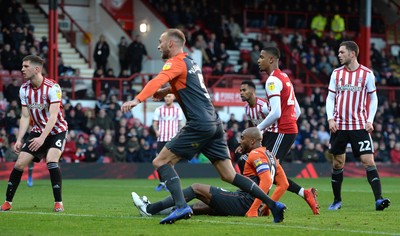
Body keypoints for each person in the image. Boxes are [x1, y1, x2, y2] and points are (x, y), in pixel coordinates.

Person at [121, 29, 286, 224]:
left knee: (160, 162)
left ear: (171, 44)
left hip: (199, 124)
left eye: (160, 42)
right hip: (215, 124)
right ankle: (273, 204)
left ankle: (181, 207)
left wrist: (137, 99)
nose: (158, 46)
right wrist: (167, 90)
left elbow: (157, 80)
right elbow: (190, 86)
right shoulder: (191, 63)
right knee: (229, 174)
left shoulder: (175, 62)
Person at [131, 127, 289, 217]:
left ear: (253, 141)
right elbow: (284, 184)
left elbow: (267, 181)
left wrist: (255, 208)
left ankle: (149, 209)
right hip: (247, 201)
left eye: (243, 138)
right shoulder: (270, 155)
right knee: (200, 205)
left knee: (196, 188)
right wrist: (266, 208)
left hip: (245, 202)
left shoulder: (255, 154)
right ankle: (154, 209)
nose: (240, 140)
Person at [253, 47, 319, 215]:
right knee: (271, 171)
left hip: (281, 131)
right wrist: (288, 124)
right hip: (282, 130)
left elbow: (276, 112)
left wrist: (258, 128)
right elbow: (297, 110)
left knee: (268, 171)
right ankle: (304, 193)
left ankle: (262, 208)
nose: (258, 60)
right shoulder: (284, 77)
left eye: (261, 57)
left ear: (271, 59)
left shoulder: (272, 80)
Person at [325, 41, 391, 211]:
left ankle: (379, 200)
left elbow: (373, 98)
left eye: (342, 52)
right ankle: (337, 200)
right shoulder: (336, 73)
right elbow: (330, 98)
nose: (338, 55)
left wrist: (370, 120)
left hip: (359, 126)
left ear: (352, 53)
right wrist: (330, 118)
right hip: (339, 126)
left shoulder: (367, 74)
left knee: (368, 161)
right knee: (338, 163)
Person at [1, 55, 68, 212]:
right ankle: (7, 203)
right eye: (22, 66)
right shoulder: (24, 89)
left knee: (51, 160)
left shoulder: (53, 87)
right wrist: (19, 139)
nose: (22, 69)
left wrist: (42, 139)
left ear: (36, 69)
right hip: (37, 131)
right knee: (19, 163)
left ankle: (58, 202)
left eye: (25, 66)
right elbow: (25, 116)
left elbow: (53, 116)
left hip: (56, 131)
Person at [152, 93, 183, 192]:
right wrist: (156, 130)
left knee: (170, 162)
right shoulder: (159, 109)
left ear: (173, 97)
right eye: (165, 96)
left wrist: (180, 135)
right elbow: (155, 123)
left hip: (172, 139)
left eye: (169, 96)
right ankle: (162, 182)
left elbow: (180, 124)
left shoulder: (178, 110)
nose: (167, 98)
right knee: (158, 161)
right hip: (161, 139)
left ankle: (169, 183)